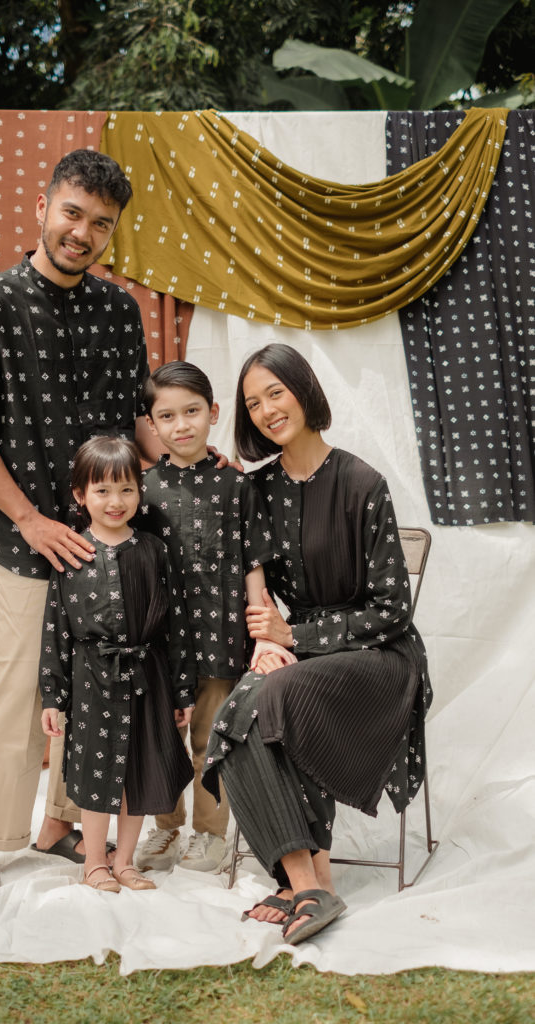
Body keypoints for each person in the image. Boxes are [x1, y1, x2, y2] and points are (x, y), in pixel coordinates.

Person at [0, 148, 162, 893]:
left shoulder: (120, 311)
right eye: (72, 213)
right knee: (23, 684)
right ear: (43, 207)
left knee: (97, 684)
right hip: (26, 534)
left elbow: (137, 416)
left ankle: (63, 825)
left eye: (101, 224)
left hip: (108, 536)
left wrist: (185, 463)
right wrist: (28, 519)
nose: (83, 233)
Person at [202, 343, 433, 944]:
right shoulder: (256, 489)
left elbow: (392, 611)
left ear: (303, 390)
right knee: (239, 716)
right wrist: (269, 642)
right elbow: (246, 574)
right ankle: (309, 881)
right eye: (253, 403)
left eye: (275, 393)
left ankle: (305, 882)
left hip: (379, 658)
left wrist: (295, 635)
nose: (266, 410)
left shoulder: (362, 482)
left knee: (268, 701)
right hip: (299, 656)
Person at [134, 362, 286, 874]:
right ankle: (165, 827)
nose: (182, 425)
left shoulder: (236, 486)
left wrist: (261, 629)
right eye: (167, 416)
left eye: (192, 411)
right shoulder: (142, 491)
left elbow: (253, 561)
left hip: (220, 634)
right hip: (159, 641)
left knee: (211, 739)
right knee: (161, 740)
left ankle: (210, 834)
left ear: (213, 413)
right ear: (151, 425)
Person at [39, 436, 196, 892]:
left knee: (138, 772)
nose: (115, 501)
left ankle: (124, 862)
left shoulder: (154, 550)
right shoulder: (72, 553)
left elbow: (176, 624)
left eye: (126, 489)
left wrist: (182, 690)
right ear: (80, 494)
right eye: (102, 490)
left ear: (139, 492)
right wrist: (53, 696)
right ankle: (94, 863)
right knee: (96, 773)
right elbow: (56, 629)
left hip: (148, 677)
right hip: (92, 679)